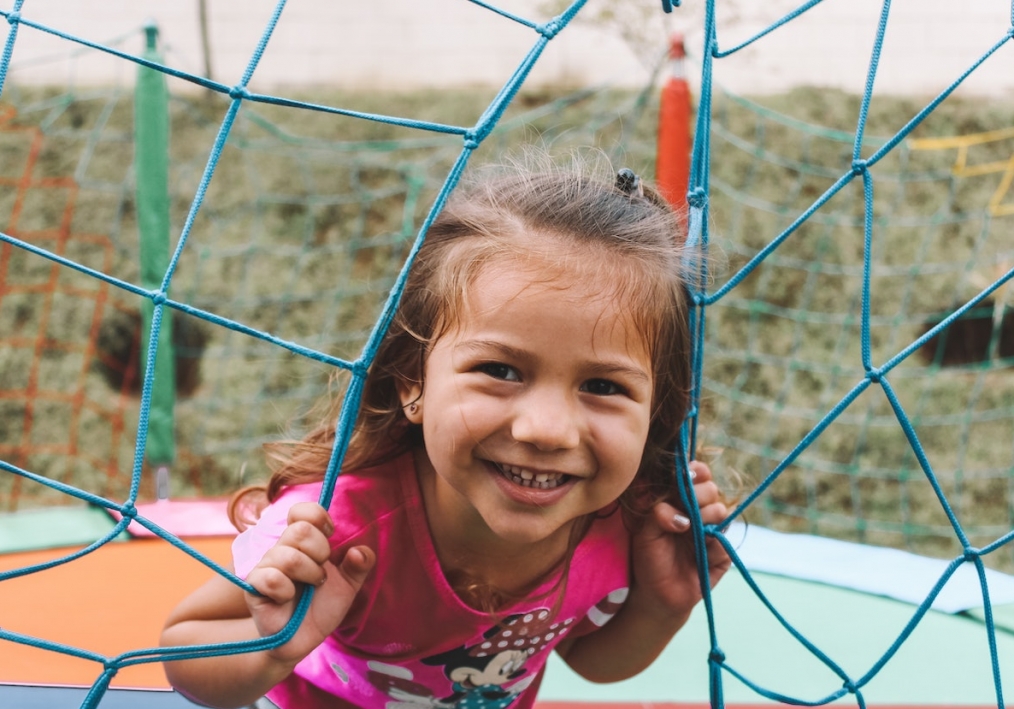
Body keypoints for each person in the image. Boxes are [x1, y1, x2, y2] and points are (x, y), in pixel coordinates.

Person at [160, 156, 731, 709]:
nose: (547, 431)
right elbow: (184, 652)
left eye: (603, 386)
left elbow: (589, 661)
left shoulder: (624, 521)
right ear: (413, 382)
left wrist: (661, 604)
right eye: (500, 371)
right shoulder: (337, 528)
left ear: (656, 412)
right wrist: (272, 648)